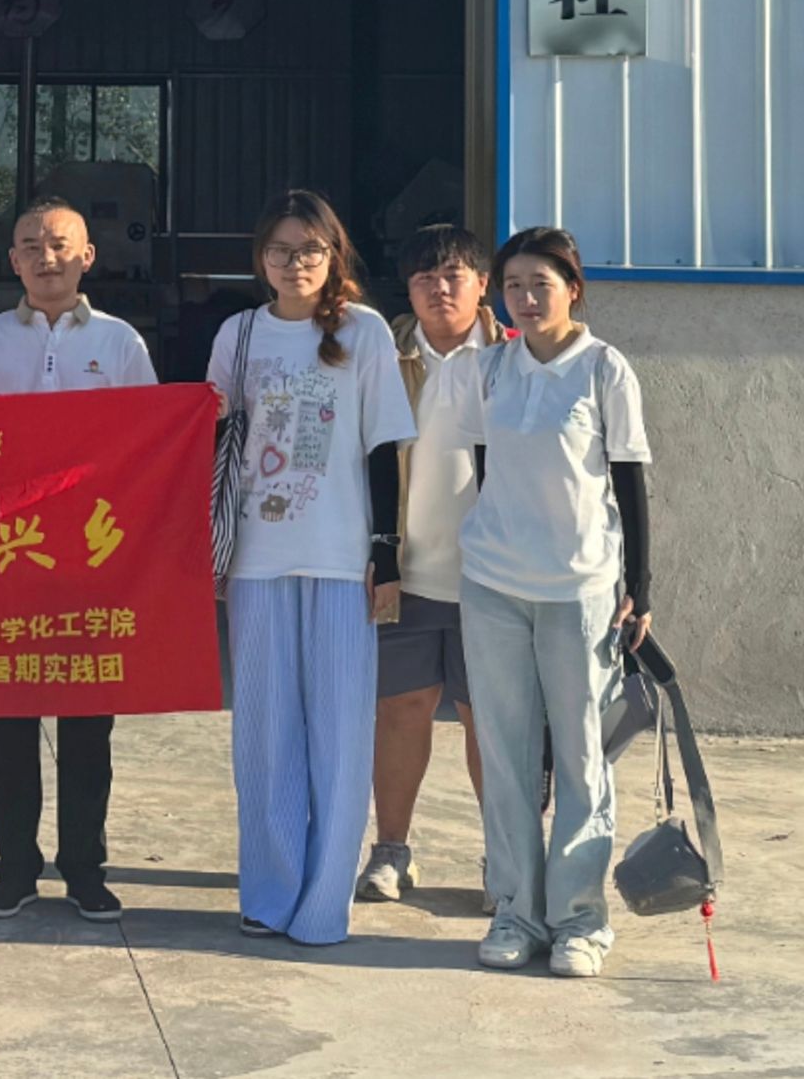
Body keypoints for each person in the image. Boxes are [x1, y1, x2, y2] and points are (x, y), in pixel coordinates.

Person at [207, 189, 415, 946]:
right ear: (260, 258)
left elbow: (383, 444)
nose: (294, 263)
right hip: (257, 560)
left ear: (334, 255)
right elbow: (213, 440)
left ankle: (325, 903)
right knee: (264, 735)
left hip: (339, 560)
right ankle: (269, 895)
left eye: (310, 250)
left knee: (339, 734)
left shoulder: (362, 331)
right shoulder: (237, 334)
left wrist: (384, 549)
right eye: (280, 250)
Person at [0, 197, 158, 922]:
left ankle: (85, 868)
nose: (47, 257)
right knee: (8, 722)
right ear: (12, 260)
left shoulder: (121, 343)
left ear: (87, 256)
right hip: (6, 559)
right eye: (32, 245)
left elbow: (148, 446)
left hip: (89, 560)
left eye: (61, 244)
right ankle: (14, 868)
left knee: (87, 725)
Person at [459, 227, 651, 980]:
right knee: (505, 756)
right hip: (494, 585)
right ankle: (516, 910)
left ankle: (579, 919)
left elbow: (630, 480)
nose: (525, 298)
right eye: (512, 285)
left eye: (540, 283)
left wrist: (641, 588)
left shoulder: (604, 368)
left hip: (580, 590)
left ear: (573, 289)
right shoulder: (490, 368)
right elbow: (485, 467)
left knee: (581, 756)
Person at [356, 225, 504, 907]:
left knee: (489, 720)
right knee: (401, 709)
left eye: (453, 275)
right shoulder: (383, 356)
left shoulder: (512, 358)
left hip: (495, 576)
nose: (439, 289)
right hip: (406, 570)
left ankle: (505, 857)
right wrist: (375, 549)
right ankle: (391, 849)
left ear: (482, 284)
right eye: (424, 277)